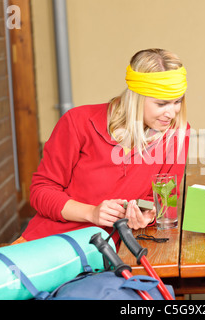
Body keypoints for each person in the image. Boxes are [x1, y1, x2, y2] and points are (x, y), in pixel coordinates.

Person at [13, 48, 190, 247]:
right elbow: (41, 191)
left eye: (178, 102)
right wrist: (91, 213)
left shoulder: (177, 133)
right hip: (52, 243)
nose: (172, 113)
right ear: (136, 97)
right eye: (162, 103)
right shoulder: (78, 122)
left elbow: (164, 197)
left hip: (115, 252)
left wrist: (147, 215)